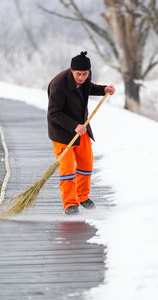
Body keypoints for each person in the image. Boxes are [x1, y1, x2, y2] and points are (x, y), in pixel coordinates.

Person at [47, 51, 115, 215]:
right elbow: (53, 113)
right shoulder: (59, 84)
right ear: (71, 70)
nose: (82, 78)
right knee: (68, 168)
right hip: (62, 132)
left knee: (86, 163)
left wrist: (103, 89)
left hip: (81, 128)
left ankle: (82, 196)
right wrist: (73, 126)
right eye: (79, 74)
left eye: (85, 74)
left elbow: (87, 88)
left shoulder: (85, 78)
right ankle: (70, 203)